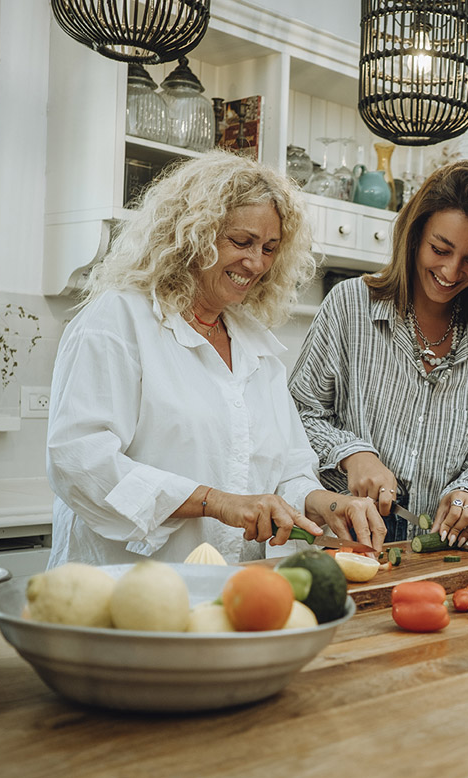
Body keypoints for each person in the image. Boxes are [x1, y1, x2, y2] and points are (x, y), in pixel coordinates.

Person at [46, 150, 383, 567]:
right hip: (126, 587)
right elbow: (80, 461)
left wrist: (331, 505)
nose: (256, 262)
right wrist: (215, 502)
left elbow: (289, 473)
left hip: (235, 589)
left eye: (269, 248)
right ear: (192, 234)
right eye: (241, 242)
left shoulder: (256, 348)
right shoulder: (119, 319)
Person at [289, 159, 468, 552]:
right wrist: (353, 455)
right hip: (342, 547)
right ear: (415, 237)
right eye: (441, 249)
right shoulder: (350, 306)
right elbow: (297, 414)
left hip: (440, 556)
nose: (452, 271)